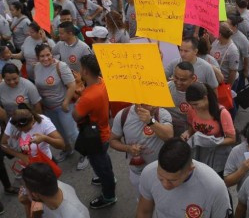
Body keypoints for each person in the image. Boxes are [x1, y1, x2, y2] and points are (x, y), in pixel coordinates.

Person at [136, 138, 231, 218]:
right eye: (160, 177)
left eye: (172, 180)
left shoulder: (215, 188)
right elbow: (144, 211)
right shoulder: (148, 173)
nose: (165, 185)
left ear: (190, 169)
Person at [72, 55, 117, 208]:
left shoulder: (88, 98)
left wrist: (78, 99)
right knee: (104, 160)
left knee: (100, 166)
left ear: (84, 71)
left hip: (95, 137)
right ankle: (109, 177)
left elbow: (76, 116)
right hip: (104, 131)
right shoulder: (102, 82)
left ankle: (109, 196)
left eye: (80, 68)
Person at [110, 101, 173, 194]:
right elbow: (113, 140)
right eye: (148, 103)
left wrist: (150, 121)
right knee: (142, 200)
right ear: (137, 103)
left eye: (155, 101)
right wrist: (128, 148)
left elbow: (169, 136)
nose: (154, 106)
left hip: (161, 172)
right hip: (137, 172)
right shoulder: (123, 115)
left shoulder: (162, 114)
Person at [32, 43, 78, 163]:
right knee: (59, 133)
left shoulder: (61, 66)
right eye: (42, 56)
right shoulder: (36, 67)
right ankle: (67, 150)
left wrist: (66, 103)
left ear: (52, 53)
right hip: (48, 108)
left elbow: (72, 85)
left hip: (63, 107)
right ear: (37, 57)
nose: (46, 58)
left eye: (48, 55)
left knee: (71, 133)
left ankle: (86, 154)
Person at [181, 82, 236, 175]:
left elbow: (232, 139)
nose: (194, 107)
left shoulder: (222, 113)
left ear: (205, 98)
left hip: (216, 157)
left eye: (196, 104)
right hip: (198, 154)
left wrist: (213, 142)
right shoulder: (192, 110)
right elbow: (191, 126)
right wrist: (188, 133)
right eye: (191, 104)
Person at [22, 162, 90, 218]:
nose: (23, 192)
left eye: (25, 189)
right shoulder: (52, 183)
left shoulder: (77, 215)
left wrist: (27, 205)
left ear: (35, 195)